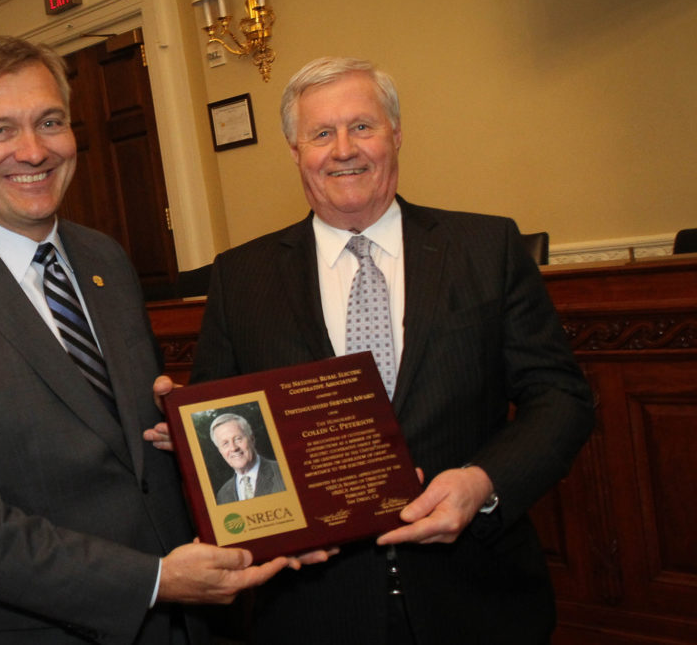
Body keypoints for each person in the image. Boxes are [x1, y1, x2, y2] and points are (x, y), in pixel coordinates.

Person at [0, 35, 308, 645]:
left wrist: (192, 439)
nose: (33, 150)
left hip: (193, 621)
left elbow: (127, 446)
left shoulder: (105, 260)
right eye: (0, 131)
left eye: (50, 122)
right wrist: (151, 580)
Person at [152, 56, 594, 644]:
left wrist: (483, 482)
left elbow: (560, 397)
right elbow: (227, 425)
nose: (343, 149)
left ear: (396, 135)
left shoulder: (487, 248)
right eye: (320, 133)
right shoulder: (240, 279)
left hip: (476, 594)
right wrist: (185, 430)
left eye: (362, 126)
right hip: (315, 607)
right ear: (294, 151)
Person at [208, 413, 284, 503]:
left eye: (238, 439)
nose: (233, 448)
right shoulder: (223, 495)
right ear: (220, 451)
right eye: (225, 443)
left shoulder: (283, 472)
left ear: (252, 439)